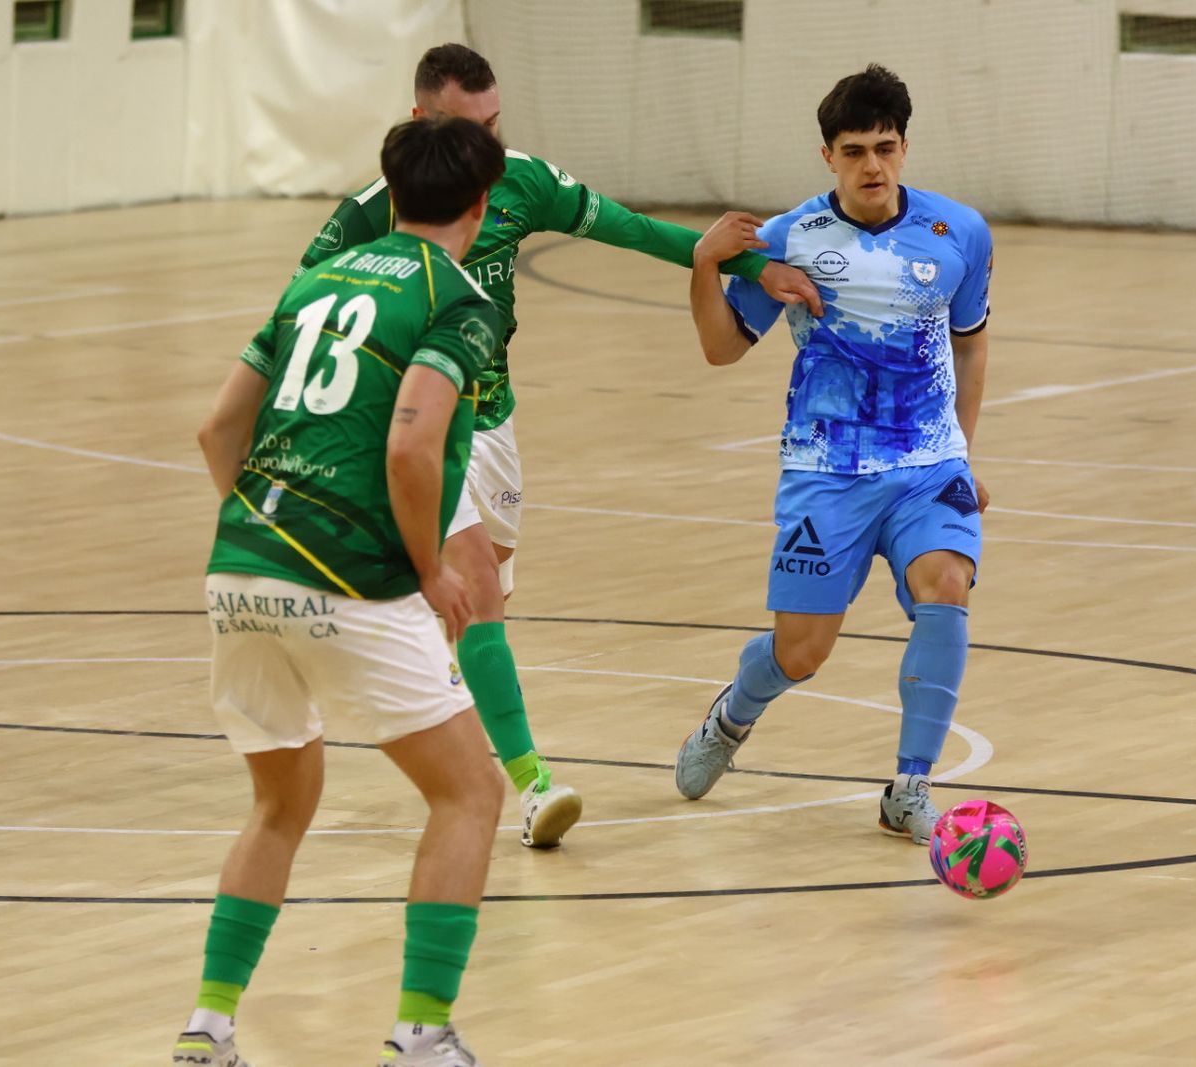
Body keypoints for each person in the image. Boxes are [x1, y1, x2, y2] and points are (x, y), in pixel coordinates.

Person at [298, 43, 823, 848]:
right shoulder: (369, 214)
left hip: (492, 417)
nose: (486, 149)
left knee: (488, 595)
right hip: (415, 417)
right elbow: (310, 313)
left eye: (494, 126)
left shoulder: (522, 181)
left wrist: (745, 260)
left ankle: (429, 662)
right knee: (473, 581)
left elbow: (627, 227)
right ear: (420, 124)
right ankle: (529, 782)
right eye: (465, 130)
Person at [172, 117, 510, 1067]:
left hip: (239, 567)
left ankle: (208, 1027)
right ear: (481, 208)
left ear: (390, 194)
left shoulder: (315, 279)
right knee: (470, 794)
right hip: (349, 581)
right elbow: (411, 443)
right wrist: (430, 569)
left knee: (282, 801)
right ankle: (422, 1032)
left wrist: (264, 537)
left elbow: (215, 432)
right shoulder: (462, 298)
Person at [673, 64, 993, 845]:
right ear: (828, 157)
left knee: (947, 583)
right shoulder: (787, 239)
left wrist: (961, 455)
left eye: (885, 147)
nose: (872, 166)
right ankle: (733, 715)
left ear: (906, 147)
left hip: (928, 467)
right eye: (854, 151)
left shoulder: (961, 234)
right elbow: (721, 349)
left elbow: (972, 346)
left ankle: (909, 785)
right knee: (802, 650)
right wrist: (705, 265)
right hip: (826, 471)